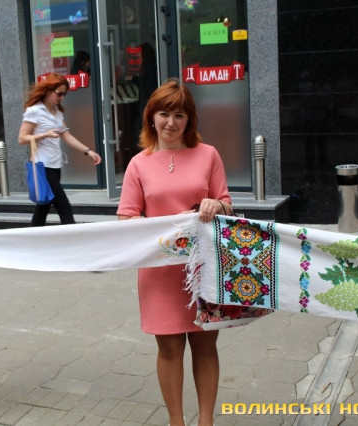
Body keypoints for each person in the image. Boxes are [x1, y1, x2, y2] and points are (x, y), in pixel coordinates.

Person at [116, 78, 232, 426]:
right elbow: (126, 216)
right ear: (151, 118)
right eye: (164, 114)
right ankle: (176, 421)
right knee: (168, 349)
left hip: (204, 268)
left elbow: (226, 204)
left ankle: (206, 421)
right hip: (159, 271)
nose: (171, 122)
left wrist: (216, 204)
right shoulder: (138, 163)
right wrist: (148, 224)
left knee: (205, 347)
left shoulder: (208, 154)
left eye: (179, 115)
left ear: (189, 120)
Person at [18, 73, 101, 226]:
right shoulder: (35, 111)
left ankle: (32, 237)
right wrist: (45, 135)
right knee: (64, 207)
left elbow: (67, 136)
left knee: (43, 207)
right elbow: (22, 138)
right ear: (48, 91)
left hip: (55, 165)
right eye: (59, 93)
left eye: (64, 94)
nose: (62, 97)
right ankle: (73, 238)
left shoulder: (57, 112)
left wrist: (88, 151)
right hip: (43, 166)